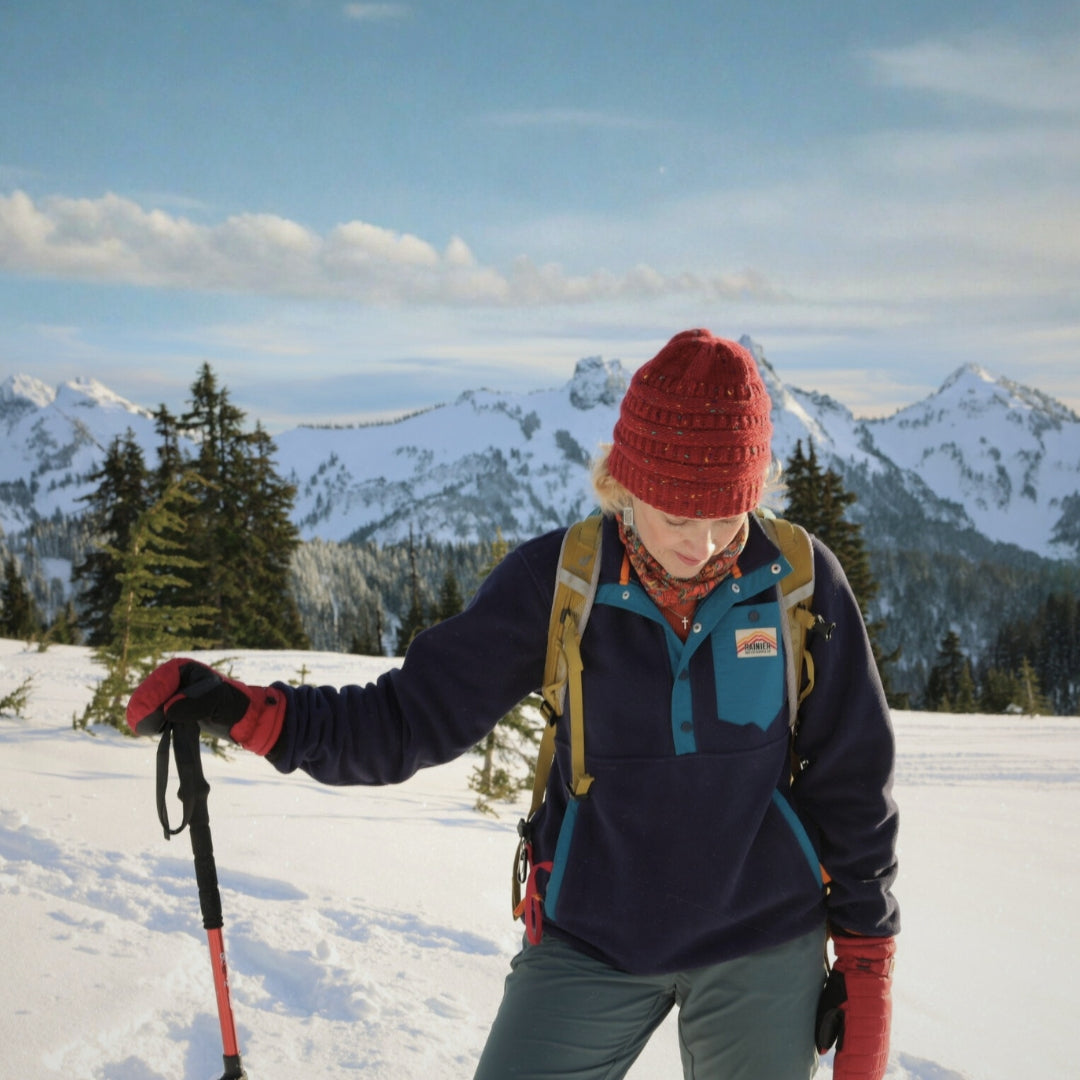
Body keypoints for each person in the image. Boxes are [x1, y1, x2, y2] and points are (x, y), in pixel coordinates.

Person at [128, 329, 899, 1080]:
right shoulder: (560, 582)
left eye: (726, 517)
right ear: (625, 485)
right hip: (595, 934)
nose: (702, 547)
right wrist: (255, 714)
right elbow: (409, 718)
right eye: (675, 518)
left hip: (763, 933)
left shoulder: (799, 583)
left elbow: (854, 780)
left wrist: (867, 960)